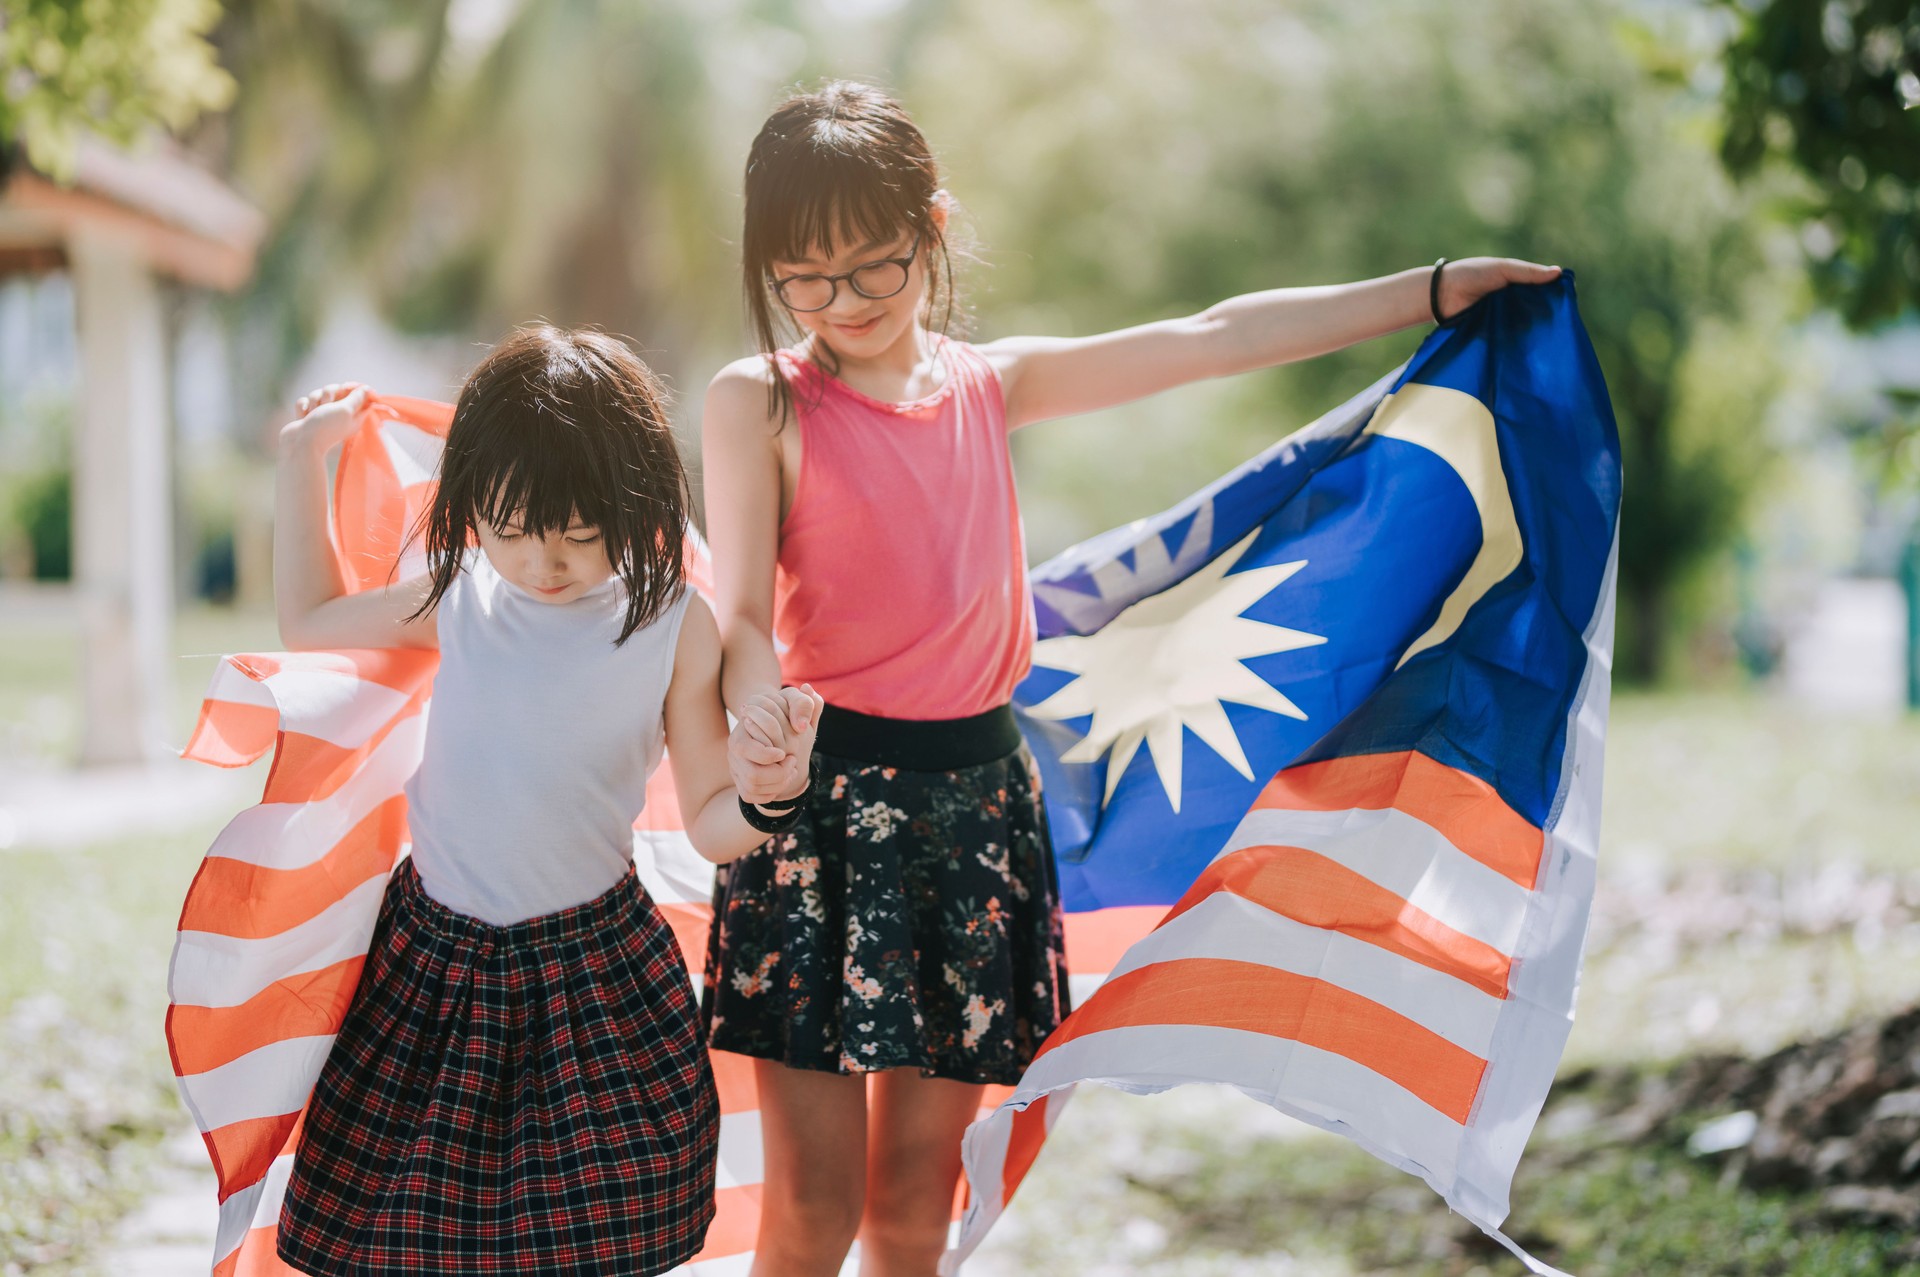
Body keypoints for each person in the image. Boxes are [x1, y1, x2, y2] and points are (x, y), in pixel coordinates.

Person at [701, 80, 1562, 1277]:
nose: (840, 303)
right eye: (804, 277)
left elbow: (1210, 338)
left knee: (910, 1207)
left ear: (932, 229)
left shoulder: (991, 384)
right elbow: (738, 608)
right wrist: (759, 725)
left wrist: (1426, 293)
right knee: (813, 1210)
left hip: (978, 817)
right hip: (818, 817)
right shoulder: (760, 402)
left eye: (873, 268)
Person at [270, 326, 821, 1276]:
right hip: (435, 966)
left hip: (592, 977)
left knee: (592, 1241)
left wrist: (770, 797)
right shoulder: (461, 597)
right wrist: (299, 464)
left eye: (578, 531)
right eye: (514, 528)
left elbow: (708, 821)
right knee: (411, 1232)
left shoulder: (671, 627)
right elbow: (308, 620)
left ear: (634, 503)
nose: (543, 562)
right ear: (475, 505)